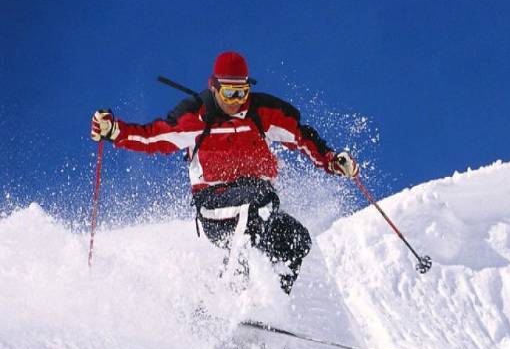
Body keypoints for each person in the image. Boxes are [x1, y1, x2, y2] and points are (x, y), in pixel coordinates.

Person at [90, 51, 359, 294]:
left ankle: (271, 309)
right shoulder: (196, 118)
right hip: (214, 206)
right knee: (256, 203)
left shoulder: (261, 114)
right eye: (229, 94)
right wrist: (114, 131)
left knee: (296, 241)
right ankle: (229, 297)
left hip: (260, 204)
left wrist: (331, 161)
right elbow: (152, 138)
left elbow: (301, 137)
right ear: (214, 88)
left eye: (242, 93)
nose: (236, 102)